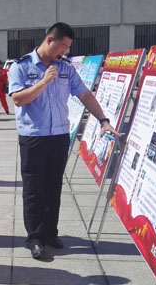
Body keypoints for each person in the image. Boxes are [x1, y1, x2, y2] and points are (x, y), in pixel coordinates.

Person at [9, 22, 116, 260]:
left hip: (58, 136)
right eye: (63, 46)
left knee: (53, 186)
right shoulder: (21, 67)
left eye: (67, 48)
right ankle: (35, 238)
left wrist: (103, 120)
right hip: (33, 137)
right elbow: (17, 99)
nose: (64, 52)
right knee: (34, 189)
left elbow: (85, 94)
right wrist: (43, 82)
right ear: (49, 40)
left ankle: (49, 232)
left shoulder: (66, 68)